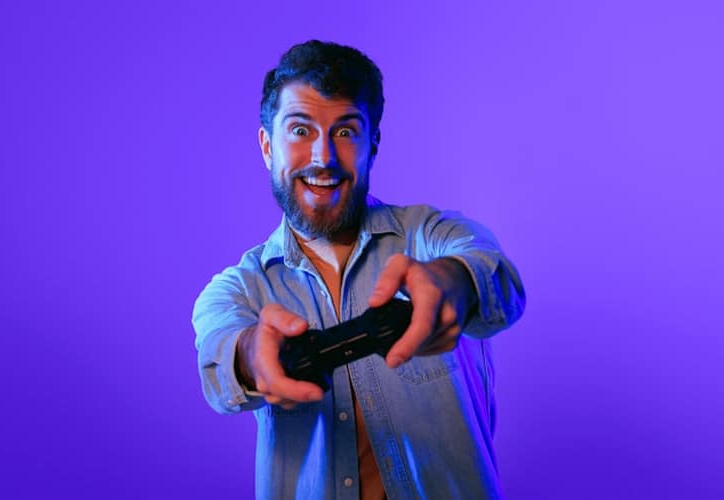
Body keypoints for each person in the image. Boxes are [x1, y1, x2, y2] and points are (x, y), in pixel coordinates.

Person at [193, 40, 526, 500]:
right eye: (300, 130)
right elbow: (220, 358)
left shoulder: (432, 235)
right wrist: (254, 356)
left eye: (346, 132)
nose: (323, 157)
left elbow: (493, 274)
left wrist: (452, 283)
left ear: (373, 144)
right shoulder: (236, 290)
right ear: (267, 146)